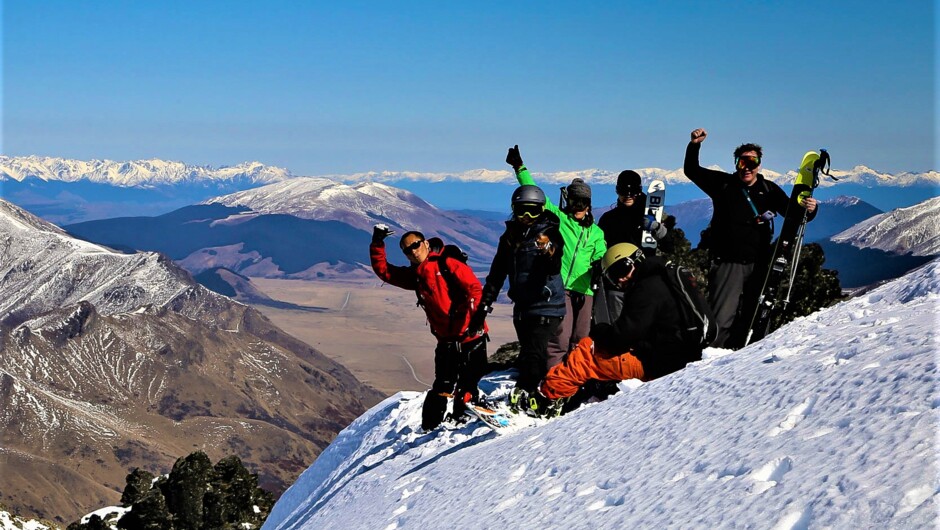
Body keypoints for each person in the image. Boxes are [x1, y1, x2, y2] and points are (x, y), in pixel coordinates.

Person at [684, 128, 818, 349]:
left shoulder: (769, 190)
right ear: (736, 163)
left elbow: (793, 215)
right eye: (741, 162)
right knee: (721, 318)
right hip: (728, 262)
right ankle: (715, 359)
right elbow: (691, 170)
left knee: (757, 315)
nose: (746, 168)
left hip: (760, 264)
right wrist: (695, 145)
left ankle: (749, 359)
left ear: (760, 165)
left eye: (752, 162)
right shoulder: (723, 184)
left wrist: (810, 210)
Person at [540, 243, 703, 403]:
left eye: (622, 269)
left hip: (659, 365)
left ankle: (548, 397)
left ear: (636, 261)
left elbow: (622, 338)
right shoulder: (667, 279)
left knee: (587, 352)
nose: (620, 278)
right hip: (676, 357)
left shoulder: (647, 288)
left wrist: (600, 331)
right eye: (613, 276)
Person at [369, 225, 488, 431]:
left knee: (469, 380)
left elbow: (474, 289)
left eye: (415, 245)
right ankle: (430, 427)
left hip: (470, 335)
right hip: (446, 339)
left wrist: (475, 319)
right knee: (442, 384)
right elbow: (385, 272)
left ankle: (463, 416)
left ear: (425, 243)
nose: (413, 251)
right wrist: (377, 244)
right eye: (407, 250)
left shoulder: (447, 263)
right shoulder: (416, 275)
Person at [467, 185, 565, 415]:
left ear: (541, 210)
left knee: (534, 353)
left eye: (532, 211)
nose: (526, 217)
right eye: (521, 211)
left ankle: (530, 398)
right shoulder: (510, 237)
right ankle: (538, 397)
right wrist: (484, 306)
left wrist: (548, 251)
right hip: (523, 306)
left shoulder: (550, 233)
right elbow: (497, 272)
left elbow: (555, 263)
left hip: (547, 305)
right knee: (530, 353)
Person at [507, 145, 607, 369]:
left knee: (581, 339)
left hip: (585, 290)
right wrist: (519, 167)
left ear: (589, 205)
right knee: (560, 339)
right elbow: (534, 192)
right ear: (567, 201)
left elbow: (601, 253)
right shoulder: (559, 219)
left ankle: (573, 380)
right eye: (574, 202)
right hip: (562, 289)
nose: (578, 207)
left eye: (582, 203)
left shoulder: (597, 233)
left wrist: (600, 264)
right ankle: (553, 378)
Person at [597, 170, 667, 249]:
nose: (628, 196)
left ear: (639, 192)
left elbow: (669, 246)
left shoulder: (652, 214)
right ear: (617, 192)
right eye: (623, 192)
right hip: (616, 259)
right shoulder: (608, 219)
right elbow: (599, 245)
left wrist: (657, 228)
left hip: (646, 260)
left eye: (633, 192)